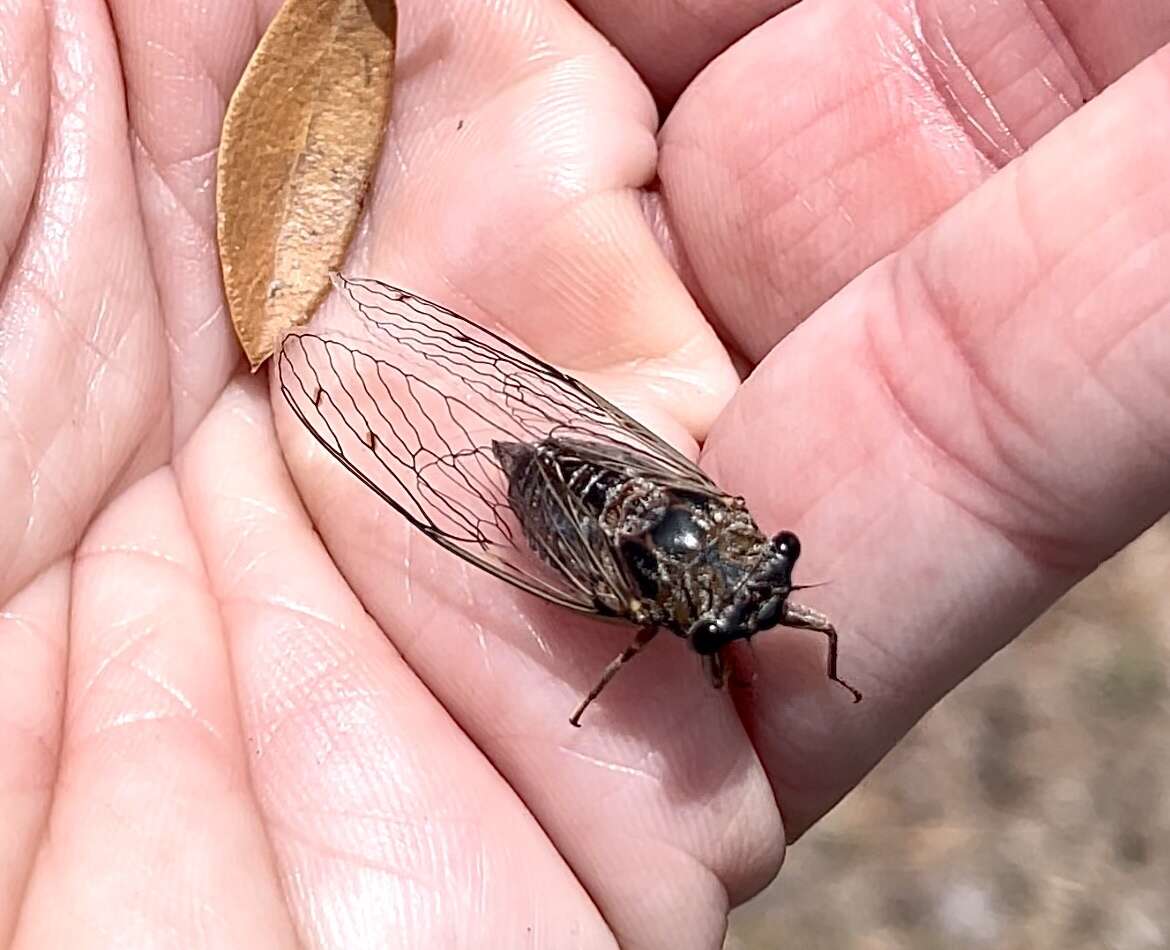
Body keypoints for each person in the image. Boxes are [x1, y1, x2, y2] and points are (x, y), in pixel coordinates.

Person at [1, 1, 1167, 947]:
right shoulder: (644, 619)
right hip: (548, 494)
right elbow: (637, 620)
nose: (755, 608)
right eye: (743, 603)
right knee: (473, 448)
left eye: (740, 610)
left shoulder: (728, 586)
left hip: (609, 488)